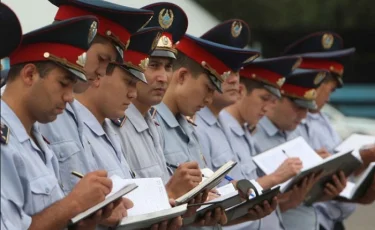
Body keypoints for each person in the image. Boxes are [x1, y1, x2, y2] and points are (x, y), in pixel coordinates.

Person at [1, 15, 120, 230]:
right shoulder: (5, 144)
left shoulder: (38, 142)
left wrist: (85, 219)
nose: (70, 97)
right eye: (63, 83)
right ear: (29, 75)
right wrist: (74, 204)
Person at [39, 0, 153, 193]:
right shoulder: (39, 106)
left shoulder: (71, 110)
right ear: (76, 43)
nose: (102, 72)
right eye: (102, 59)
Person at [109, 2, 202, 200]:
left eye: (168, 67)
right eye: (153, 65)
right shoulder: (116, 123)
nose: (163, 77)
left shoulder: (153, 121)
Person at [253, 69, 347, 230]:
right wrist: (286, 201)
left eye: (307, 109)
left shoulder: (294, 133)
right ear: (276, 99)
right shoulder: (253, 135)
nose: (303, 116)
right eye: (298, 107)